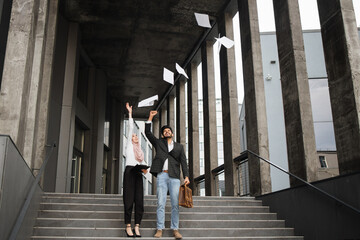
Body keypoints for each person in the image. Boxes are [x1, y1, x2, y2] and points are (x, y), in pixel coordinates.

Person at [145, 110, 190, 239]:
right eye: (164, 132)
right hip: (162, 176)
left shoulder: (179, 147)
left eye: (168, 131)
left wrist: (186, 176)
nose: (166, 132)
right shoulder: (159, 143)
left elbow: (184, 162)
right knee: (160, 203)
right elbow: (148, 133)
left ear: (172, 133)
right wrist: (150, 117)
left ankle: (175, 229)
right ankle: (160, 229)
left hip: (175, 177)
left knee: (175, 204)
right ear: (163, 135)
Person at [123, 102, 148, 237]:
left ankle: (137, 226)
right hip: (129, 172)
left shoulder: (140, 151)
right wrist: (130, 114)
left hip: (138, 173)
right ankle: (128, 226)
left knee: (139, 200)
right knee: (128, 199)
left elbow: (143, 164)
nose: (135, 137)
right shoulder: (128, 146)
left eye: (136, 136)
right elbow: (130, 127)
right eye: (133, 136)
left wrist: (145, 170)